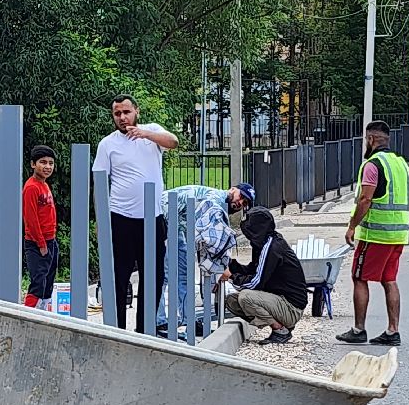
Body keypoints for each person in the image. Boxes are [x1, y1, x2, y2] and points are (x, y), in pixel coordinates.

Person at [92, 95, 179, 330]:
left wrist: (145, 134)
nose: (122, 117)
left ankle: (145, 329)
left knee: (154, 277)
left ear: (136, 112)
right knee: (119, 276)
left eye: (126, 112)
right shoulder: (107, 144)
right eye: (117, 114)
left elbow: (173, 141)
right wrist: (101, 222)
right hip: (120, 217)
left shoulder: (151, 133)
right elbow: (99, 182)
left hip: (152, 217)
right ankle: (117, 329)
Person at [336, 119, 408, 347]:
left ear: (370, 139)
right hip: (398, 235)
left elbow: (366, 199)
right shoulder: (400, 163)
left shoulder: (372, 165)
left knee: (359, 277)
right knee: (390, 280)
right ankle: (392, 330)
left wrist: (351, 226)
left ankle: (359, 329)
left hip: (375, 235)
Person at [155, 182, 255, 336]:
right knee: (164, 273)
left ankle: (188, 320)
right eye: (241, 196)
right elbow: (211, 232)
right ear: (233, 189)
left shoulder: (219, 203)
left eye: (245, 203)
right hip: (163, 218)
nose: (240, 202)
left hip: (177, 225)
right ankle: (158, 321)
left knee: (184, 273)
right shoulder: (215, 199)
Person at [220, 207, 307, 345]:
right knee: (231, 301)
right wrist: (232, 266)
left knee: (245, 297)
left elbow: (256, 282)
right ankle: (279, 323)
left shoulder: (272, 247)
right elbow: (254, 269)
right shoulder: (263, 243)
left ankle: (280, 329)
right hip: (278, 300)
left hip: (291, 307)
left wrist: (231, 277)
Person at [22, 145, 59, 309]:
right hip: (38, 243)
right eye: (43, 162)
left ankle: (44, 313)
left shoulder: (44, 185)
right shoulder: (31, 187)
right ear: (33, 164)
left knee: (48, 282)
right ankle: (28, 315)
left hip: (51, 240)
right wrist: (41, 244)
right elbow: (31, 219)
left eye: (51, 163)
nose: (47, 167)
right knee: (38, 282)